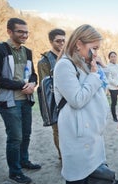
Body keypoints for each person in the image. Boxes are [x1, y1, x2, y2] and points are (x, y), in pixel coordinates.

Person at [53, 24, 109, 183]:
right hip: (78, 133)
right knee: (79, 176)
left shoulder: (84, 62)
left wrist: (99, 68)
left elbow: (100, 89)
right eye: (94, 48)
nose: (96, 53)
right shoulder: (64, 65)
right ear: (79, 44)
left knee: (94, 172)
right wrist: (93, 75)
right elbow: (77, 99)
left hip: (91, 132)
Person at [0, 18, 41, 184]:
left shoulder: (28, 52)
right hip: (8, 102)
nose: (24, 35)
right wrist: (21, 85)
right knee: (15, 137)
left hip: (26, 99)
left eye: (26, 32)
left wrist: (32, 83)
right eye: (20, 31)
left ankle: (24, 161)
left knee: (26, 134)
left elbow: (33, 74)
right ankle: (15, 172)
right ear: (9, 31)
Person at [37, 28, 66, 160]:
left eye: (63, 40)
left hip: (69, 98)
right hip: (54, 100)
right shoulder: (44, 61)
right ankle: (63, 156)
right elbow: (45, 84)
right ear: (51, 41)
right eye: (58, 41)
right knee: (58, 130)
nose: (61, 43)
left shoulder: (68, 56)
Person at [106, 51, 118, 122]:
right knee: (114, 102)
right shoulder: (107, 67)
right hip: (113, 88)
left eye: (114, 56)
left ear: (116, 57)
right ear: (109, 58)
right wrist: (117, 84)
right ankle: (114, 117)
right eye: (111, 57)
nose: (113, 58)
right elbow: (109, 79)